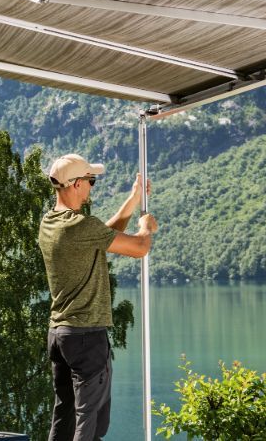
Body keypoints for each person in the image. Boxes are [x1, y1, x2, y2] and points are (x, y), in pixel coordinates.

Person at [39, 153, 156, 441]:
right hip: (86, 337)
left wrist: (133, 200)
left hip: (60, 334)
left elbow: (102, 237)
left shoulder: (50, 223)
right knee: (89, 421)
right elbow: (139, 247)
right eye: (90, 180)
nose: (92, 186)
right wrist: (146, 227)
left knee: (65, 414)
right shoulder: (81, 225)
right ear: (76, 184)